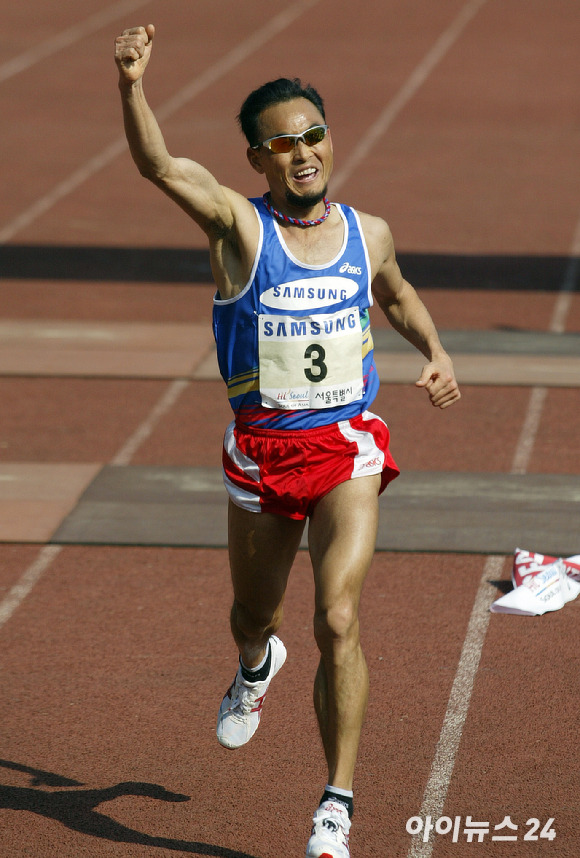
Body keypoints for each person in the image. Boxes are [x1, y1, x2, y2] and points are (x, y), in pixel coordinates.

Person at [115, 24, 460, 858]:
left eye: (313, 134)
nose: (303, 151)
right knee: (252, 615)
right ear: (257, 159)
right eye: (282, 142)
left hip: (345, 445)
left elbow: (400, 294)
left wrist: (437, 352)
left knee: (338, 620)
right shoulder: (237, 226)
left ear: (328, 140)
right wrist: (131, 87)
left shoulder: (367, 231)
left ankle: (335, 805)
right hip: (262, 454)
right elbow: (161, 167)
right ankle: (251, 664)